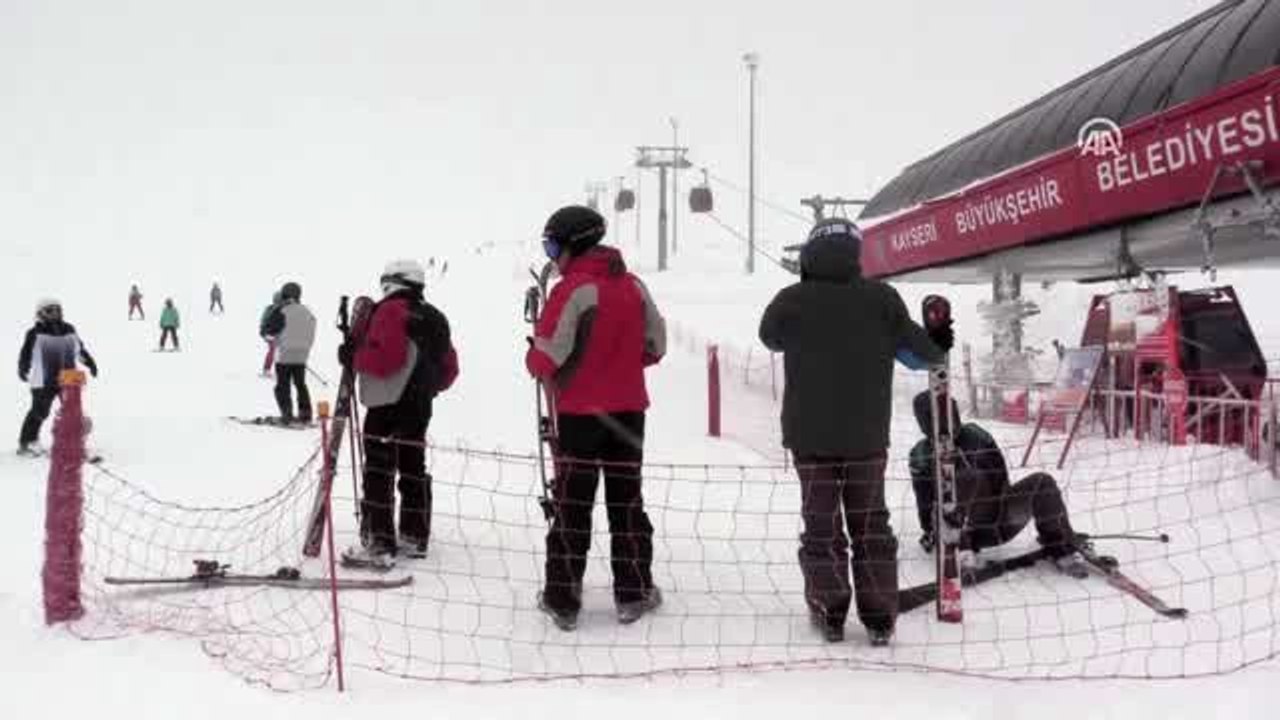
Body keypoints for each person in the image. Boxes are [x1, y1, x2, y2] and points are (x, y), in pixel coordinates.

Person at [758, 217, 949, 646]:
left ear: (809, 254)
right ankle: (880, 615)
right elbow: (924, 357)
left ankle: (830, 610)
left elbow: (770, 337)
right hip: (865, 439)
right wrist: (937, 335)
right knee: (870, 524)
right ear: (855, 254)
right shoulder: (881, 299)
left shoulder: (791, 299)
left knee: (820, 524)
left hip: (809, 440)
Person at [525, 205, 667, 631]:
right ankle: (634, 590)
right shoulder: (634, 285)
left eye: (553, 245)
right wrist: (621, 365)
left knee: (573, 503)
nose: (552, 256)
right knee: (626, 501)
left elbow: (547, 355)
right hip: (628, 413)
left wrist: (535, 360)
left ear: (574, 244)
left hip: (581, 415)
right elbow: (656, 345)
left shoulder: (572, 289)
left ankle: (563, 599)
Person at [338, 260, 458, 565]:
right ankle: (414, 534)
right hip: (419, 406)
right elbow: (450, 369)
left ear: (393, 282)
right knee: (412, 466)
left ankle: (379, 541)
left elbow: (385, 360)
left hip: (386, 403)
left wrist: (354, 356)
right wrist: (427, 389)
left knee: (379, 469)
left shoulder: (389, 310)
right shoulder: (435, 316)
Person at [907, 391, 1086, 572]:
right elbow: (925, 507)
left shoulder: (977, 436)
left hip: (998, 519)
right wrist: (933, 533)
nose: (946, 421)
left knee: (1042, 482)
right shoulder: (921, 455)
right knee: (963, 477)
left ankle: (1059, 544)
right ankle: (962, 555)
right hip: (953, 535)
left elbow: (1000, 480)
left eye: (949, 413)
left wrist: (998, 507)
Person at [17, 299, 98, 455]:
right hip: (44, 378)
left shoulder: (69, 329)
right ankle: (27, 441)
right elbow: (25, 354)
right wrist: (23, 367)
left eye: (57, 310)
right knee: (40, 411)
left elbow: (79, 350)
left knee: (73, 411)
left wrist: (91, 363)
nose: (55, 314)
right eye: (50, 311)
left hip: (69, 376)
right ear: (40, 314)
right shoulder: (34, 333)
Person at [259, 282, 316, 424]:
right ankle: (306, 413)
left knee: (282, 386)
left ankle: (287, 413)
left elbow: (268, 330)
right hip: (302, 354)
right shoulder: (307, 311)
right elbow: (313, 325)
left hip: (284, 353)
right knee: (300, 384)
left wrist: (269, 334)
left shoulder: (282, 311)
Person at [259, 291, 282, 376]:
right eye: (277, 300)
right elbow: (263, 321)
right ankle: (266, 369)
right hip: (270, 334)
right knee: (273, 350)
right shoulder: (269, 309)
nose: (279, 302)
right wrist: (264, 332)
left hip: (280, 334)